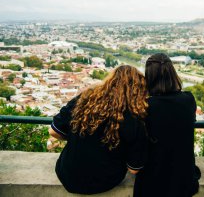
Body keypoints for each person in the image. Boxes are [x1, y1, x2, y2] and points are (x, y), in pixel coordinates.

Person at [49, 65, 148, 194]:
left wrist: (78, 138)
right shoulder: (135, 118)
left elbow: (53, 131)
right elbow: (134, 169)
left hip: (68, 176)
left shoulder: (84, 99)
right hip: (105, 181)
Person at [134, 53, 200, 197]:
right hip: (183, 180)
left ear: (149, 77)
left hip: (153, 182)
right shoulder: (189, 100)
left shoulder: (145, 107)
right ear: (172, 73)